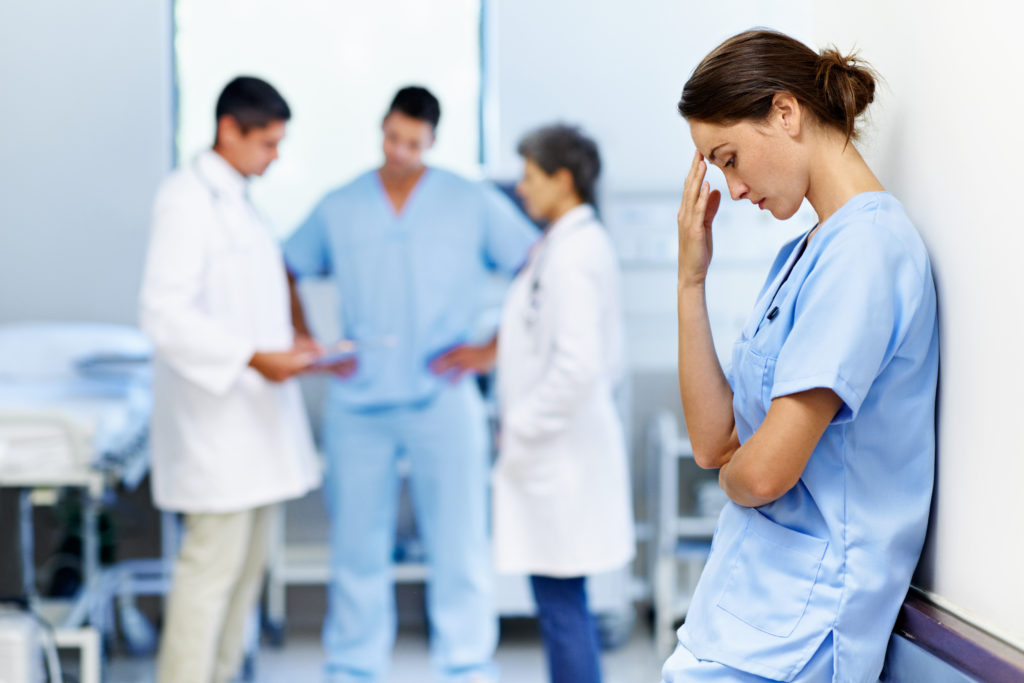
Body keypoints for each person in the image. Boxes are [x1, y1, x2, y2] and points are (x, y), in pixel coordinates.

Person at [663, 30, 939, 682]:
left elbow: (760, 474)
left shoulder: (868, 250)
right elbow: (716, 442)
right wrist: (689, 280)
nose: (731, 189)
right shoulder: (805, 255)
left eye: (729, 158)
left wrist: (733, 480)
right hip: (739, 621)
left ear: (785, 113)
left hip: (796, 635)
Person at [284, 86, 539, 683]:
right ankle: (351, 667)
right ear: (382, 129)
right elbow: (284, 264)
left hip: (443, 397)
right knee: (355, 548)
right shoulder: (340, 204)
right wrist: (308, 343)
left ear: (432, 142)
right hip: (358, 400)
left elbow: (536, 265)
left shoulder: (467, 201)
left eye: (413, 144)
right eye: (392, 138)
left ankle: (467, 666)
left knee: (460, 546)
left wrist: (491, 349)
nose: (400, 152)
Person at [139, 76, 322, 683]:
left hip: (256, 431)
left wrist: (292, 345)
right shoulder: (186, 200)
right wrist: (251, 356)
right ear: (229, 130)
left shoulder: (238, 200)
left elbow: (251, 302)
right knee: (209, 581)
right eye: (268, 143)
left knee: (244, 582)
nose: (275, 156)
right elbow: (163, 313)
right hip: (217, 432)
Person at [490, 124, 635, 683]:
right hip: (557, 454)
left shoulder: (573, 255)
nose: (521, 189)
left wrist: (521, 426)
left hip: (559, 456)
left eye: (530, 177)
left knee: (561, 609)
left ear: (563, 179)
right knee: (560, 606)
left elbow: (578, 367)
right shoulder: (565, 245)